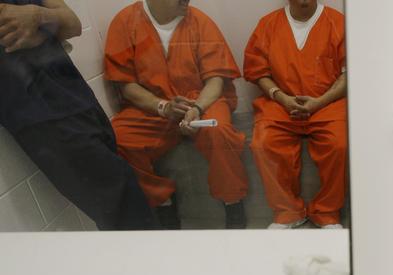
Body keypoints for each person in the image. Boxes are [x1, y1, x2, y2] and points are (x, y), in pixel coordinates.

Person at [0, 0, 158, 230]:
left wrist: (38, 16)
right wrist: (49, 27)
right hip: (38, 112)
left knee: (125, 200)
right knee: (124, 205)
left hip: (77, 97)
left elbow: (73, 24)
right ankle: (151, 263)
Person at [104, 0, 248, 230]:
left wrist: (197, 108)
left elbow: (215, 80)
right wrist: (163, 107)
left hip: (200, 99)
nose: (187, 0)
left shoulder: (200, 21)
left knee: (219, 130)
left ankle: (233, 202)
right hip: (153, 106)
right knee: (118, 139)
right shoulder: (125, 22)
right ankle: (163, 203)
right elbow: (126, 85)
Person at [244, 0, 347, 230]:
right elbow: (257, 71)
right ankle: (287, 211)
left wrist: (320, 102)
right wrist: (281, 96)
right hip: (281, 103)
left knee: (339, 144)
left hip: (327, 103)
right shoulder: (268, 25)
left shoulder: (338, 23)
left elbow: (349, 73)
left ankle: (327, 211)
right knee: (262, 143)